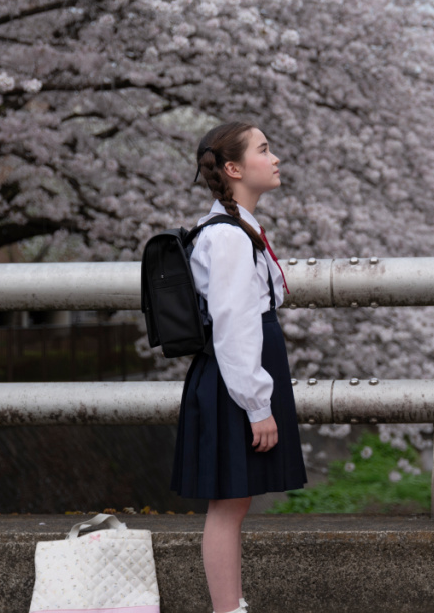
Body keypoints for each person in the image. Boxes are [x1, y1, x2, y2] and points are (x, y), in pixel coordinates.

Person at [172, 121, 307, 613]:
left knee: (233, 502)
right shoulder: (228, 238)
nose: (274, 159)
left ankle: (229, 607)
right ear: (233, 169)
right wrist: (257, 405)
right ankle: (228, 609)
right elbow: (234, 327)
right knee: (228, 506)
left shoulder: (234, 230)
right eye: (264, 150)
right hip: (235, 380)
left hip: (232, 377)